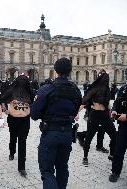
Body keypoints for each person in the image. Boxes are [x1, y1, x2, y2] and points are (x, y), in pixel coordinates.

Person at [31, 58, 82, 189]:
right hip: (67, 134)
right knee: (62, 168)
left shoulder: (46, 89)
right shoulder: (76, 90)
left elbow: (34, 115)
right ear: (70, 71)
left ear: (55, 70)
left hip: (50, 133)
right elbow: (75, 111)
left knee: (47, 171)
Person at [77, 69, 116, 165]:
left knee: (114, 136)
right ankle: (85, 157)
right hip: (95, 114)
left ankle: (112, 155)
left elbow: (108, 104)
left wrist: (111, 113)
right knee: (89, 137)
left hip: (105, 115)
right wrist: (76, 112)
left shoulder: (107, 90)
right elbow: (84, 102)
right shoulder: (94, 89)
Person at [1, 74, 34, 178]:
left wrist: (30, 109)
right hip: (13, 118)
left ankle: (22, 167)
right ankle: (12, 152)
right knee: (13, 137)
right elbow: (1, 99)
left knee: (22, 141)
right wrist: (5, 110)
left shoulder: (30, 92)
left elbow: (35, 103)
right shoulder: (12, 90)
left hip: (25, 119)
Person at [109, 84, 127, 182]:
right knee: (119, 148)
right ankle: (115, 172)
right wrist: (114, 110)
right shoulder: (124, 88)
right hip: (123, 125)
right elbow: (117, 101)